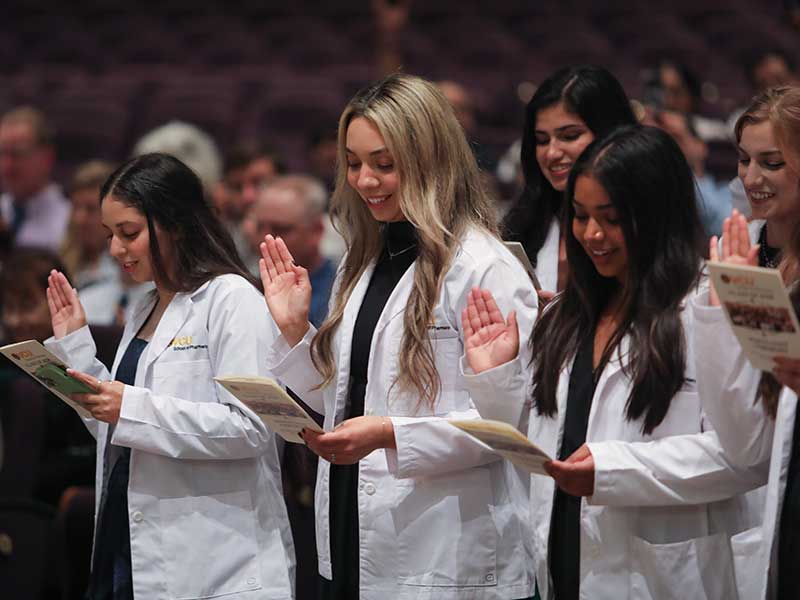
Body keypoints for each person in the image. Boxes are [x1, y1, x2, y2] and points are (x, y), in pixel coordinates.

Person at [259, 73, 538, 600]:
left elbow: (509, 428)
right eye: (354, 162)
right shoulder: (360, 263)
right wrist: (296, 329)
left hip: (445, 547)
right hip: (351, 531)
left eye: (384, 164)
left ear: (430, 158)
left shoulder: (484, 268)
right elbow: (342, 401)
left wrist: (390, 433)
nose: (365, 180)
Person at [462, 125, 763, 599]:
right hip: (564, 563)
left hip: (664, 577)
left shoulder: (709, 305)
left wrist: (611, 470)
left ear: (656, 215)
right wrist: (496, 381)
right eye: (580, 216)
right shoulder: (565, 313)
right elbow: (545, 445)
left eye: (611, 217)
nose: (592, 234)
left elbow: (744, 457)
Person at [44, 153, 295, 600]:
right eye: (110, 235)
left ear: (175, 224)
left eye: (130, 233)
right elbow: (118, 429)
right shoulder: (144, 306)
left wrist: (132, 407)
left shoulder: (232, 299)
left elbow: (252, 428)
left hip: (219, 560)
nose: (116, 250)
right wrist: (75, 350)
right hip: (132, 541)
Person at [693, 85, 800, 599]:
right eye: (743, 160)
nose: (751, 179)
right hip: (746, 487)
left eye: (772, 163)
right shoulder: (741, 258)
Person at [502, 65, 637, 297]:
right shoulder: (523, 222)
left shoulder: (642, 219)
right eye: (542, 140)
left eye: (569, 136)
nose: (552, 153)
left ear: (610, 133)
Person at [242, 175, 336, 328]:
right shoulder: (245, 289)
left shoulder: (339, 293)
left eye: (281, 229)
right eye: (260, 227)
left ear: (316, 230)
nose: (266, 238)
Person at [0, 106, 70, 253]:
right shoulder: (3, 210)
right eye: (2, 153)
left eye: (17, 154)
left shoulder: (68, 222)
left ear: (47, 159)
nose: (7, 165)